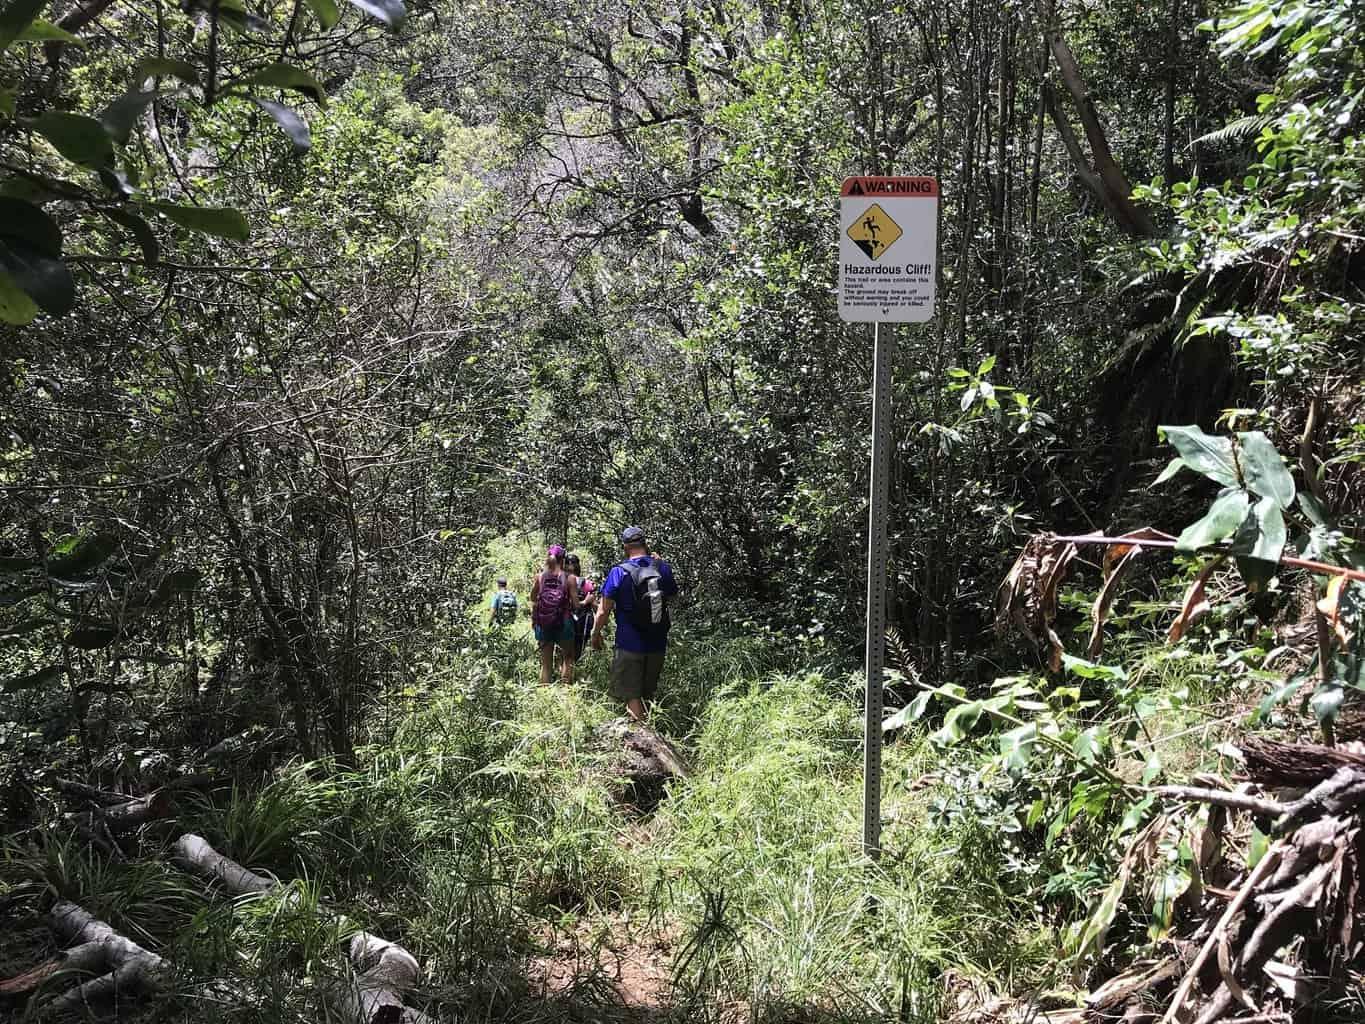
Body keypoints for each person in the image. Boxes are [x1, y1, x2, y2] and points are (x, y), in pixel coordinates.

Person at [591, 526, 678, 722]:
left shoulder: (618, 572)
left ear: (625, 546)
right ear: (645, 544)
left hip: (629, 644)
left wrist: (595, 634)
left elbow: (604, 610)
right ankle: (652, 739)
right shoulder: (662, 568)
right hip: (657, 643)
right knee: (647, 694)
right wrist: (660, 563)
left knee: (632, 695)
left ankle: (643, 744)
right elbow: (671, 594)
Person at [530, 545, 579, 685]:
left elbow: (533, 598)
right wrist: (586, 601)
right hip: (564, 622)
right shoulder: (570, 578)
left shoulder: (540, 577)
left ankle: (544, 693)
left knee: (545, 663)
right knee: (568, 658)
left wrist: (535, 617)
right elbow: (576, 605)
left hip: (543, 622)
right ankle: (566, 692)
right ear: (562, 560)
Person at [566, 554, 597, 659]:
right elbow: (595, 606)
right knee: (577, 650)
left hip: (562, 621)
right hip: (582, 622)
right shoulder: (586, 583)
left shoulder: (559, 581)